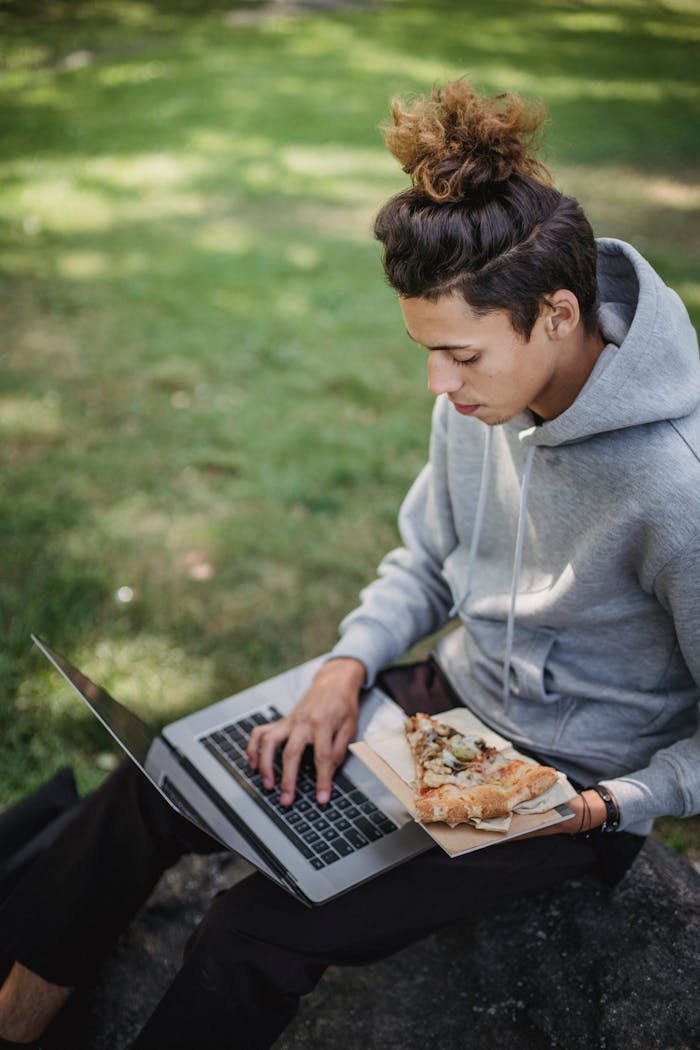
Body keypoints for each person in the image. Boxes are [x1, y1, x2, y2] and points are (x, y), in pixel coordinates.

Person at [0, 78, 698, 1050]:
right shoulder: (476, 399)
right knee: (160, 782)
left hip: (563, 786)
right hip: (440, 711)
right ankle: (15, 1023)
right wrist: (343, 670)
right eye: (425, 353)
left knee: (255, 929)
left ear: (555, 314)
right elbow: (426, 558)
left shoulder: (677, 490)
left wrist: (616, 803)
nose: (436, 384)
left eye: (459, 355)